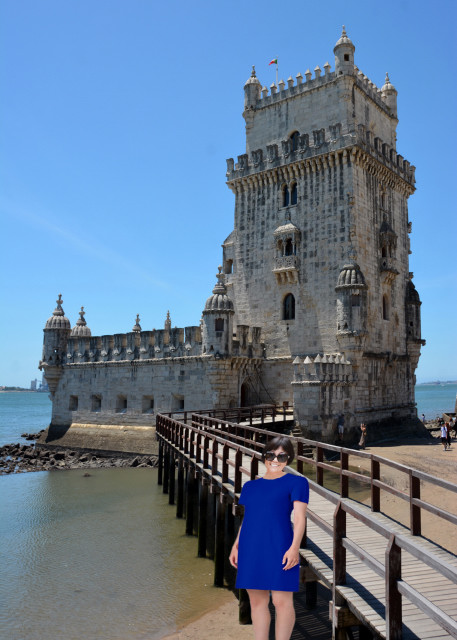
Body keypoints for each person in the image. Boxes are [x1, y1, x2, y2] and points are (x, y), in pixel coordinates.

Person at [229, 436, 309, 640]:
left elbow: (300, 518)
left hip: (280, 546)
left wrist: (294, 548)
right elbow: (249, 519)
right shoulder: (250, 487)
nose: (275, 460)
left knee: (281, 602)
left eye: (282, 456)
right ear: (263, 456)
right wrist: (236, 545)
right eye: (271, 455)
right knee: (256, 602)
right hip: (250, 547)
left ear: (288, 459)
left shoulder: (297, 482)